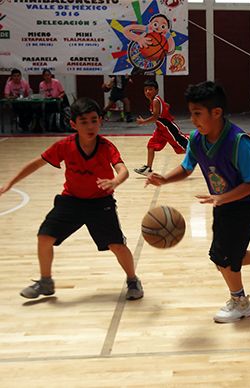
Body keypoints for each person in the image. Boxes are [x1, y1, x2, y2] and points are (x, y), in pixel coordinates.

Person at [145, 81, 250, 323]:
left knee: (225, 256)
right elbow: (186, 167)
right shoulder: (197, 139)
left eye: (197, 113)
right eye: (191, 113)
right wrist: (165, 179)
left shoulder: (238, 141)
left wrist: (222, 197)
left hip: (247, 202)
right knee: (223, 255)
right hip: (222, 201)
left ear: (216, 112)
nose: (193, 119)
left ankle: (241, 302)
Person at [0, 97, 143, 301]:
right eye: (84, 122)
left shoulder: (105, 146)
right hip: (71, 201)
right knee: (44, 237)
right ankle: (45, 282)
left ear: (100, 121)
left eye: (94, 120)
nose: (90, 126)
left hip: (100, 203)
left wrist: (115, 181)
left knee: (117, 245)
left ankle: (132, 280)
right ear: (73, 124)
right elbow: (35, 164)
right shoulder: (64, 146)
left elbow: (123, 169)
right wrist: (11, 183)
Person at [134, 79, 188, 176]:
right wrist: (165, 110)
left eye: (150, 89)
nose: (147, 92)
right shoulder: (156, 100)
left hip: (168, 128)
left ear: (156, 90)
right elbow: (167, 105)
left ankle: (200, 152)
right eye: (145, 90)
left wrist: (143, 122)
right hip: (160, 129)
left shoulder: (155, 100)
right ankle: (148, 168)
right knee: (151, 145)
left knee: (182, 149)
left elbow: (155, 117)